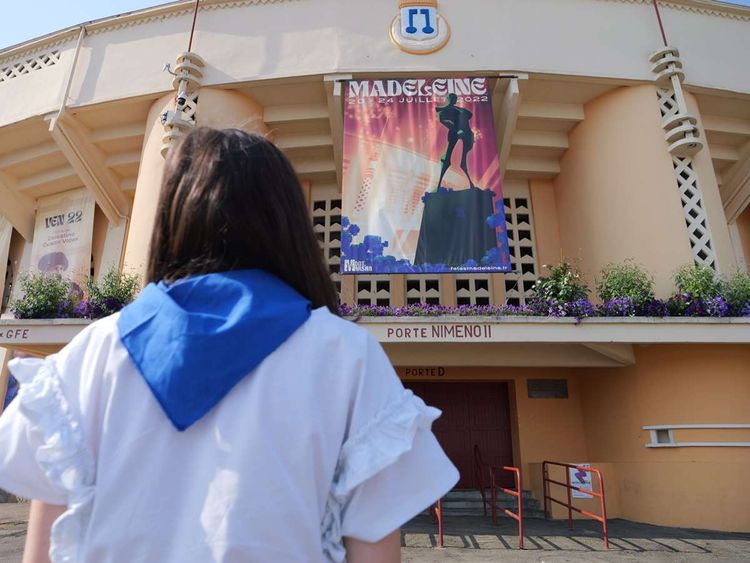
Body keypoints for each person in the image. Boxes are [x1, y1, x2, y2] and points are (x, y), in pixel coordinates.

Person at [0, 128, 458, 563]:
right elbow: (372, 548)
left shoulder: (89, 355)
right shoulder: (346, 357)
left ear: (172, 219)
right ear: (288, 224)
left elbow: (45, 551)